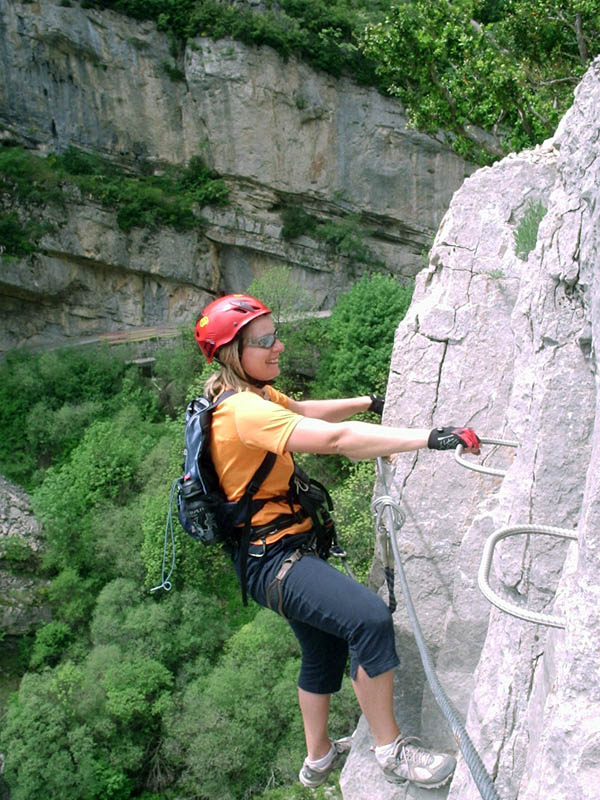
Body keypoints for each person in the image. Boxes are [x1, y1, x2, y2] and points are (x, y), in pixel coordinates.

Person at [194, 293, 481, 790]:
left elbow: (305, 410)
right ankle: (392, 752)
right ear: (230, 353)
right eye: (264, 342)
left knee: (323, 650)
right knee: (368, 620)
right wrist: (429, 437)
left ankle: (318, 757)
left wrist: (369, 402)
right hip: (274, 558)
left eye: (274, 334)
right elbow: (335, 441)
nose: (278, 346)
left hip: (268, 554)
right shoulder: (241, 411)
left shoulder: (248, 397)